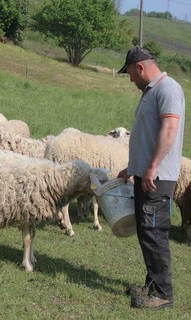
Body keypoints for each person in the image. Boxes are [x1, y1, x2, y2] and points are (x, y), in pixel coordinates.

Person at [117, 46, 185, 310]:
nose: (131, 78)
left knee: (155, 233)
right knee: (147, 231)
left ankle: (163, 294)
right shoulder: (151, 92)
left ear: (140, 67)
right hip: (146, 175)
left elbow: (169, 129)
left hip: (157, 178)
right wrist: (133, 167)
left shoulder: (168, 89)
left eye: (130, 73)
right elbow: (147, 135)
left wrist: (153, 167)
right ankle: (152, 284)